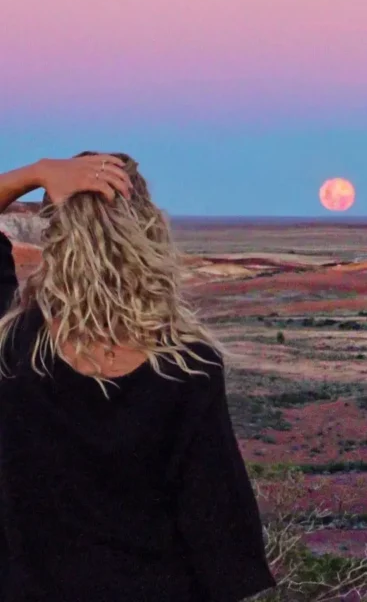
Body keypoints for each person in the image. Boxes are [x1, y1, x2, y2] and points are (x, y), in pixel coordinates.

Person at [0, 153, 276, 601]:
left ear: (54, 233)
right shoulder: (187, 364)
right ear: (146, 229)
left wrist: (37, 172)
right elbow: (216, 525)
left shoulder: (13, 345)